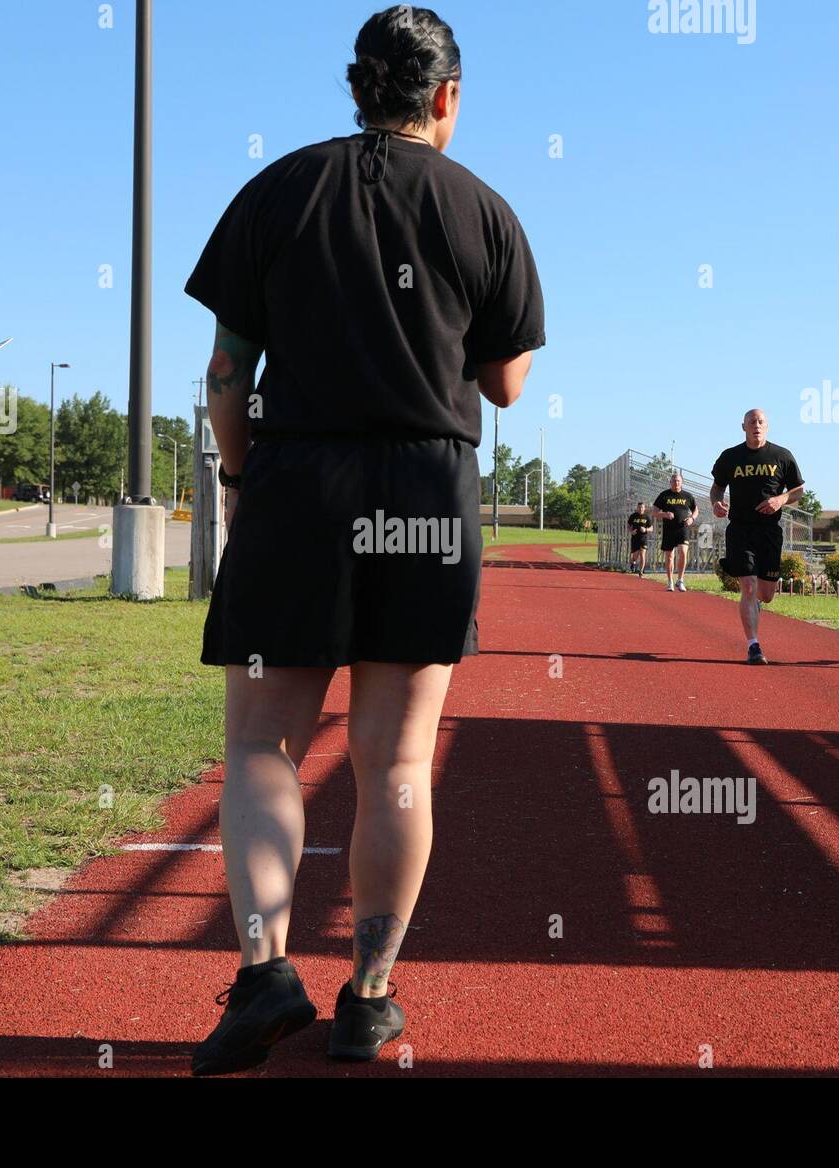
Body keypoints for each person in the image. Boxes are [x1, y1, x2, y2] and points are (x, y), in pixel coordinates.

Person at [183, 7, 544, 1074]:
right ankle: (370, 996)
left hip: (296, 477)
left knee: (261, 744)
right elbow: (507, 383)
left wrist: (243, 480)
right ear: (447, 97)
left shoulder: (278, 189)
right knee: (395, 757)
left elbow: (221, 376)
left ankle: (262, 973)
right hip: (426, 484)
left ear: (355, 89)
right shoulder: (483, 208)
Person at [711, 409, 805, 665]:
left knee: (766, 593)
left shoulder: (781, 456)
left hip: (770, 531)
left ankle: (757, 605)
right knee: (749, 586)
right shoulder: (730, 457)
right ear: (743, 426)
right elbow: (717, 487)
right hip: (740, 528)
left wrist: (781, 499)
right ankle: (753, 645)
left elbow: (798, 489)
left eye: (761, 422)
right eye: (752, 422)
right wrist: (717, 503)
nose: (756, 425)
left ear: (767, 427)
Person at [652, 471, 698, 591]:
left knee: (683, 552)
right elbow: (654, 512)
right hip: (669, 530)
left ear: (682, 482)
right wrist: (664, 514)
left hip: (683, 528)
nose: (676, 482)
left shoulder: (688, 496)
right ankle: (670, 581)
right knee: (669, 556)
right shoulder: (664, 495)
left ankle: (680, 580)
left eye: (678, 480)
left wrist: (692, 519)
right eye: (673, 480)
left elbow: (696, 510)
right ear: (670, 482)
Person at [626, 501, 652, 575]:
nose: (640, 509)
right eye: (639, 507)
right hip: (635, 538)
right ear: (637, 508)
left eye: (642, 507)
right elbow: (628, 525)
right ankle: (633, 563)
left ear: (644, 508)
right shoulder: (633, 516)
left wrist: (645, 529)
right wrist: (631, 531)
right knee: (635, 555)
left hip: (643, 538)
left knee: (642, 554)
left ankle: (641, 571)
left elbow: (651, 528)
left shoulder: (647, 517)